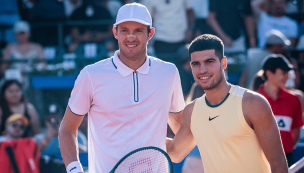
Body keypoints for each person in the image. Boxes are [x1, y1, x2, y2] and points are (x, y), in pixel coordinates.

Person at [59, 3, 184, 173]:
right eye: (124, 30)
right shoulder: (90, 75)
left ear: (150, 34)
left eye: (138, 30)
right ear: (115, 32)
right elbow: (67, 129)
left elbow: (181, 128)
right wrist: (74, 170)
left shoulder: (169, 73)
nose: (130, 37)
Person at [166, 34, 288, 173]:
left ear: (224, 63)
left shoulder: (253, 103)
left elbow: (278, 164)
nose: (202, 69)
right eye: (196, 64)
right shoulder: (191, 111)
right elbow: (175, 153)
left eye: (209, 61)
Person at [257, 54, 303, 167]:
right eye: (284, 73)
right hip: (258, 158)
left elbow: (296, 132)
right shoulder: (253, 100)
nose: (288, 77)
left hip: (287, 158)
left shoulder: (293, 100)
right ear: (269, 73)